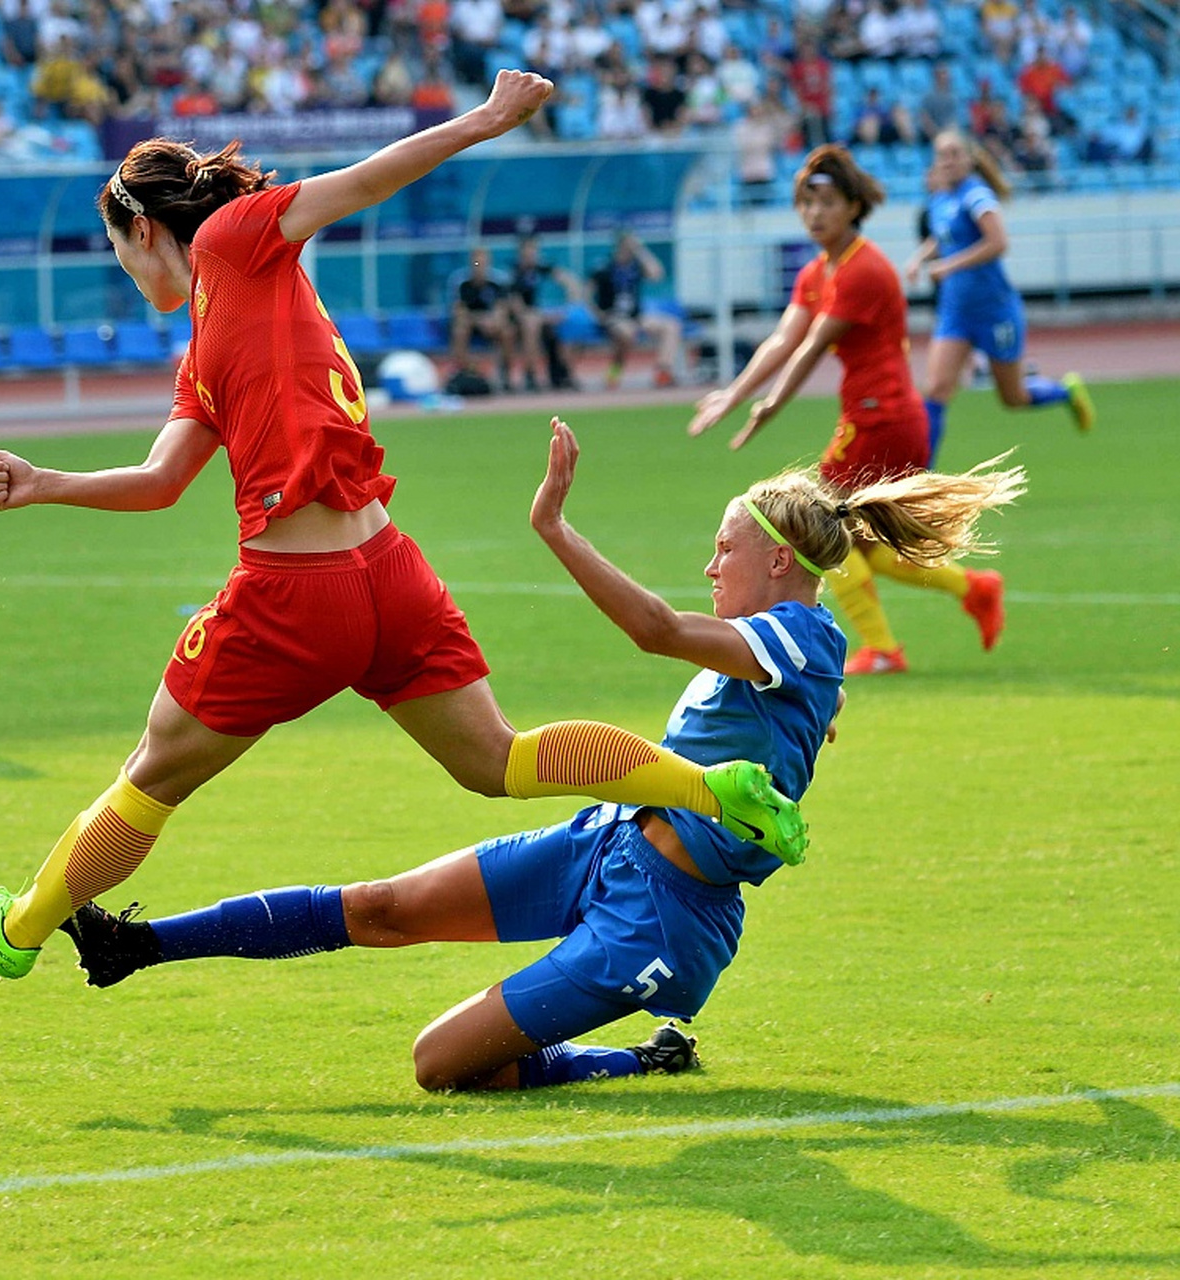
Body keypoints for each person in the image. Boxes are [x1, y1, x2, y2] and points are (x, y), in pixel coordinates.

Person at [0, 71, 807, 984]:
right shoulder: (209, 342)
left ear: (141, 228)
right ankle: (715, 789)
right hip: (388, 572)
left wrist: (486, 118)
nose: (122, 270)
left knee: (153, 774)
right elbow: (161, 480)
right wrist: (47, 482)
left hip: (291, 597)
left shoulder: (231, 243)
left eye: (116, 250)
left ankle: (21, 929)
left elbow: (365, 178)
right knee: (493, 758)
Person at [60, 418, 1025, 1093]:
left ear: (778, 562)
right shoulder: (778, 653)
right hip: (604, 844)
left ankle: (635, 1059)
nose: (709, 565)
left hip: (664, 917)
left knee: (441, 1065)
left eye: (722, 547)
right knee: (385, 908)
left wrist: (555, 528)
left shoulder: (800, 637)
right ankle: (136, 945)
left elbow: (653, 627)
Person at [689, 145, 1008, 677]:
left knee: (814, 532)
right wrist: (734, 392)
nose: (815, 214)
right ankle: (971, 587)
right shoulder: (819, 270)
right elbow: (783, 337)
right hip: (876, 416)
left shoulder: (862, 270)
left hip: (879, 419)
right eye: (806, 203)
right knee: (860, 537)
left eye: (828, 203)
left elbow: (810, 347)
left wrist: (768, 406)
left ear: (854, 206)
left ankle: (884, 648)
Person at [905, 130, 1094, 467]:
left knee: (1013, 397)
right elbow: (943, 236)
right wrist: (919, 258)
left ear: (969, 158)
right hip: (956, 312)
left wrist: (948, 265)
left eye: (954, 154)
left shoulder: (976, 195)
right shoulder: (939, 198)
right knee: (935, 390)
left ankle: (1066, 392)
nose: (947, 161)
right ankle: (920, 479)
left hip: (994, 311)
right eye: (941, 155)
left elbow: (998, 243)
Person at [589, 231, 684, 390]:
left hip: (635, 316)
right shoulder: (605, 267)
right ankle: (614, 371)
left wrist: (641, 251)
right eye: (628, 245)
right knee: (627, 333)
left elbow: (657, 274)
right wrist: (597, 313)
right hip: (613, 317)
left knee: (671, 326)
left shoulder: (636, 266)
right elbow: (587, 293)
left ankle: (662, 372)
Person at [507, 236, 580, 392]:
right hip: (521, 319)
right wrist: (539, 315)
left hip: (542, 316)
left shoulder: (543, 269)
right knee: (531, 325)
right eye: (527, 251)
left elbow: (570, 282)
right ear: (521, 253)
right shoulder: (515, 273)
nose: (531, 255)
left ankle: (564, 373)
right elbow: (516, 306)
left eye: (533, 250)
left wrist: (568, 305)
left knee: (568, 322)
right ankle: (531, 374)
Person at [447, 246, 517, 391]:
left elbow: (502, 308)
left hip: (492, 324)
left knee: (508, 331)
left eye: (482, 260)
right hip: (471, 323)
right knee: (459, 329)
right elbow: (459, 310)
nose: (479, 264)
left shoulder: (499, 280)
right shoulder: (461, 281)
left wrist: (493, 321)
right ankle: (464, 373)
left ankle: (505, 375)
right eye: (476, 261)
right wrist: (479, 320)